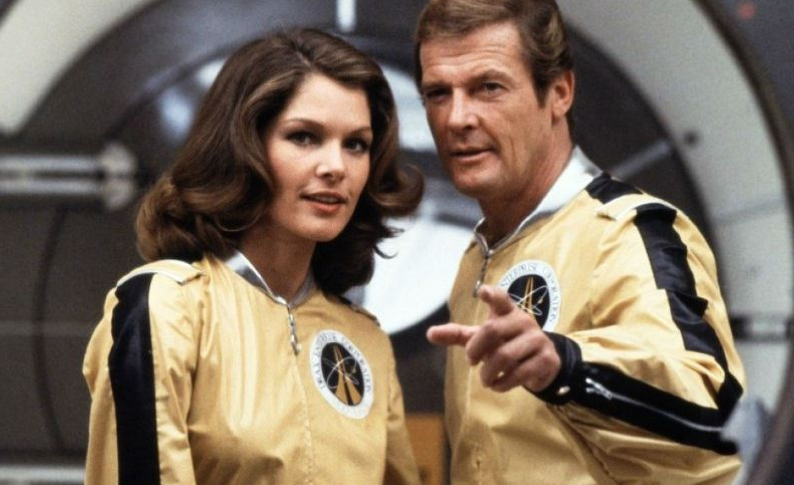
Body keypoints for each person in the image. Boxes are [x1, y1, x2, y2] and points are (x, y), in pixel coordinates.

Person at [414, 1, 746, 484]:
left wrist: (567, 367)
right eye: (438, 93)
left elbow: (713, 411)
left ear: (560, 92)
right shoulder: (478, 256)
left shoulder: (628, 231)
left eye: (488, 87)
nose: (456, 118)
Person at [82, 28, 423, 485]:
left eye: (356, 144)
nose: (336, 167)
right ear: (243, 146)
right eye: (304, 137)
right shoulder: (166, 308)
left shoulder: (365, 339)